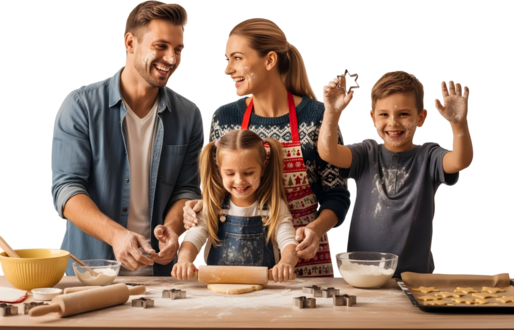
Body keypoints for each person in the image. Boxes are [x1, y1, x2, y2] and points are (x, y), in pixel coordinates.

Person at [183, 17, 352, 277]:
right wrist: (195, 206)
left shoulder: (318, 116)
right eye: (226, 60)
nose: (227, 70)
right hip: (238, 263)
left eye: (237, 58)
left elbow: (338, 194)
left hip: (307, 258)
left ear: (270, 60)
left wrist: (316, 230)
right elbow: (216, 187)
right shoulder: (224, 118)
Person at [50, 0, 204, 276]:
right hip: (89, 274)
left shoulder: (189, 114)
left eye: (178, 49)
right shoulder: (80, 106)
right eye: (160, 46)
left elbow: (187, 190)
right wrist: (116, 236)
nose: (171, 58)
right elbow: (66, 191)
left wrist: (172, 229)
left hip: (161, 279)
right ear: (130, 43)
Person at [318, 70, 474, 277]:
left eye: (403, 114)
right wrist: (331, 113)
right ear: (372, 118)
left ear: (421, 118)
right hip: (361, 274)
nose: (393, 122)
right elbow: (329, 153)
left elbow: (460, 161)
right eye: (384, 114)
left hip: (414, 277)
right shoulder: (366, 152)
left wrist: (458, 123)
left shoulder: (428, 156)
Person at [172, 130, 298, 282]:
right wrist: (184, 260)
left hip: (264, 292)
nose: (239, 181)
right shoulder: (212, 206)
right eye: (230, 174)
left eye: (248, 173)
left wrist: (286, 263)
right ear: (219, 170)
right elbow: (193, 238)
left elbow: (288, 242)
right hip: (216, 293)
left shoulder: (274, 207)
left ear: (263, 168)